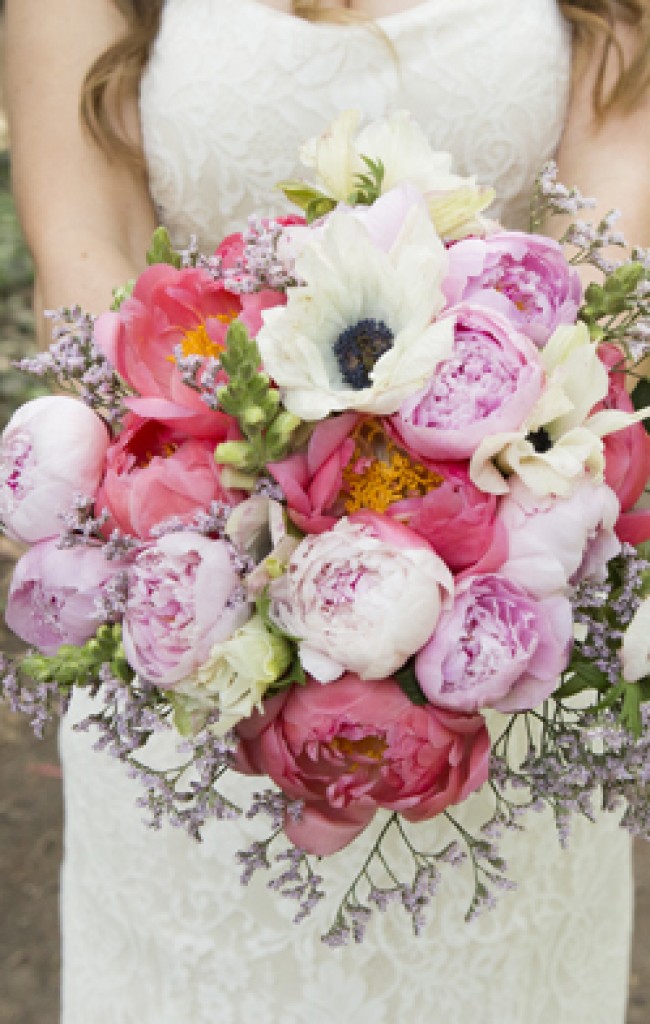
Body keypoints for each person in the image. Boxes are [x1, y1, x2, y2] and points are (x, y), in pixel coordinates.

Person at [5, 1, 650, 1021]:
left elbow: (608, 242)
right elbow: (88, 240)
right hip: (202, 604)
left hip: (502, 617)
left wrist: (454, 525)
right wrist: (245, 556)